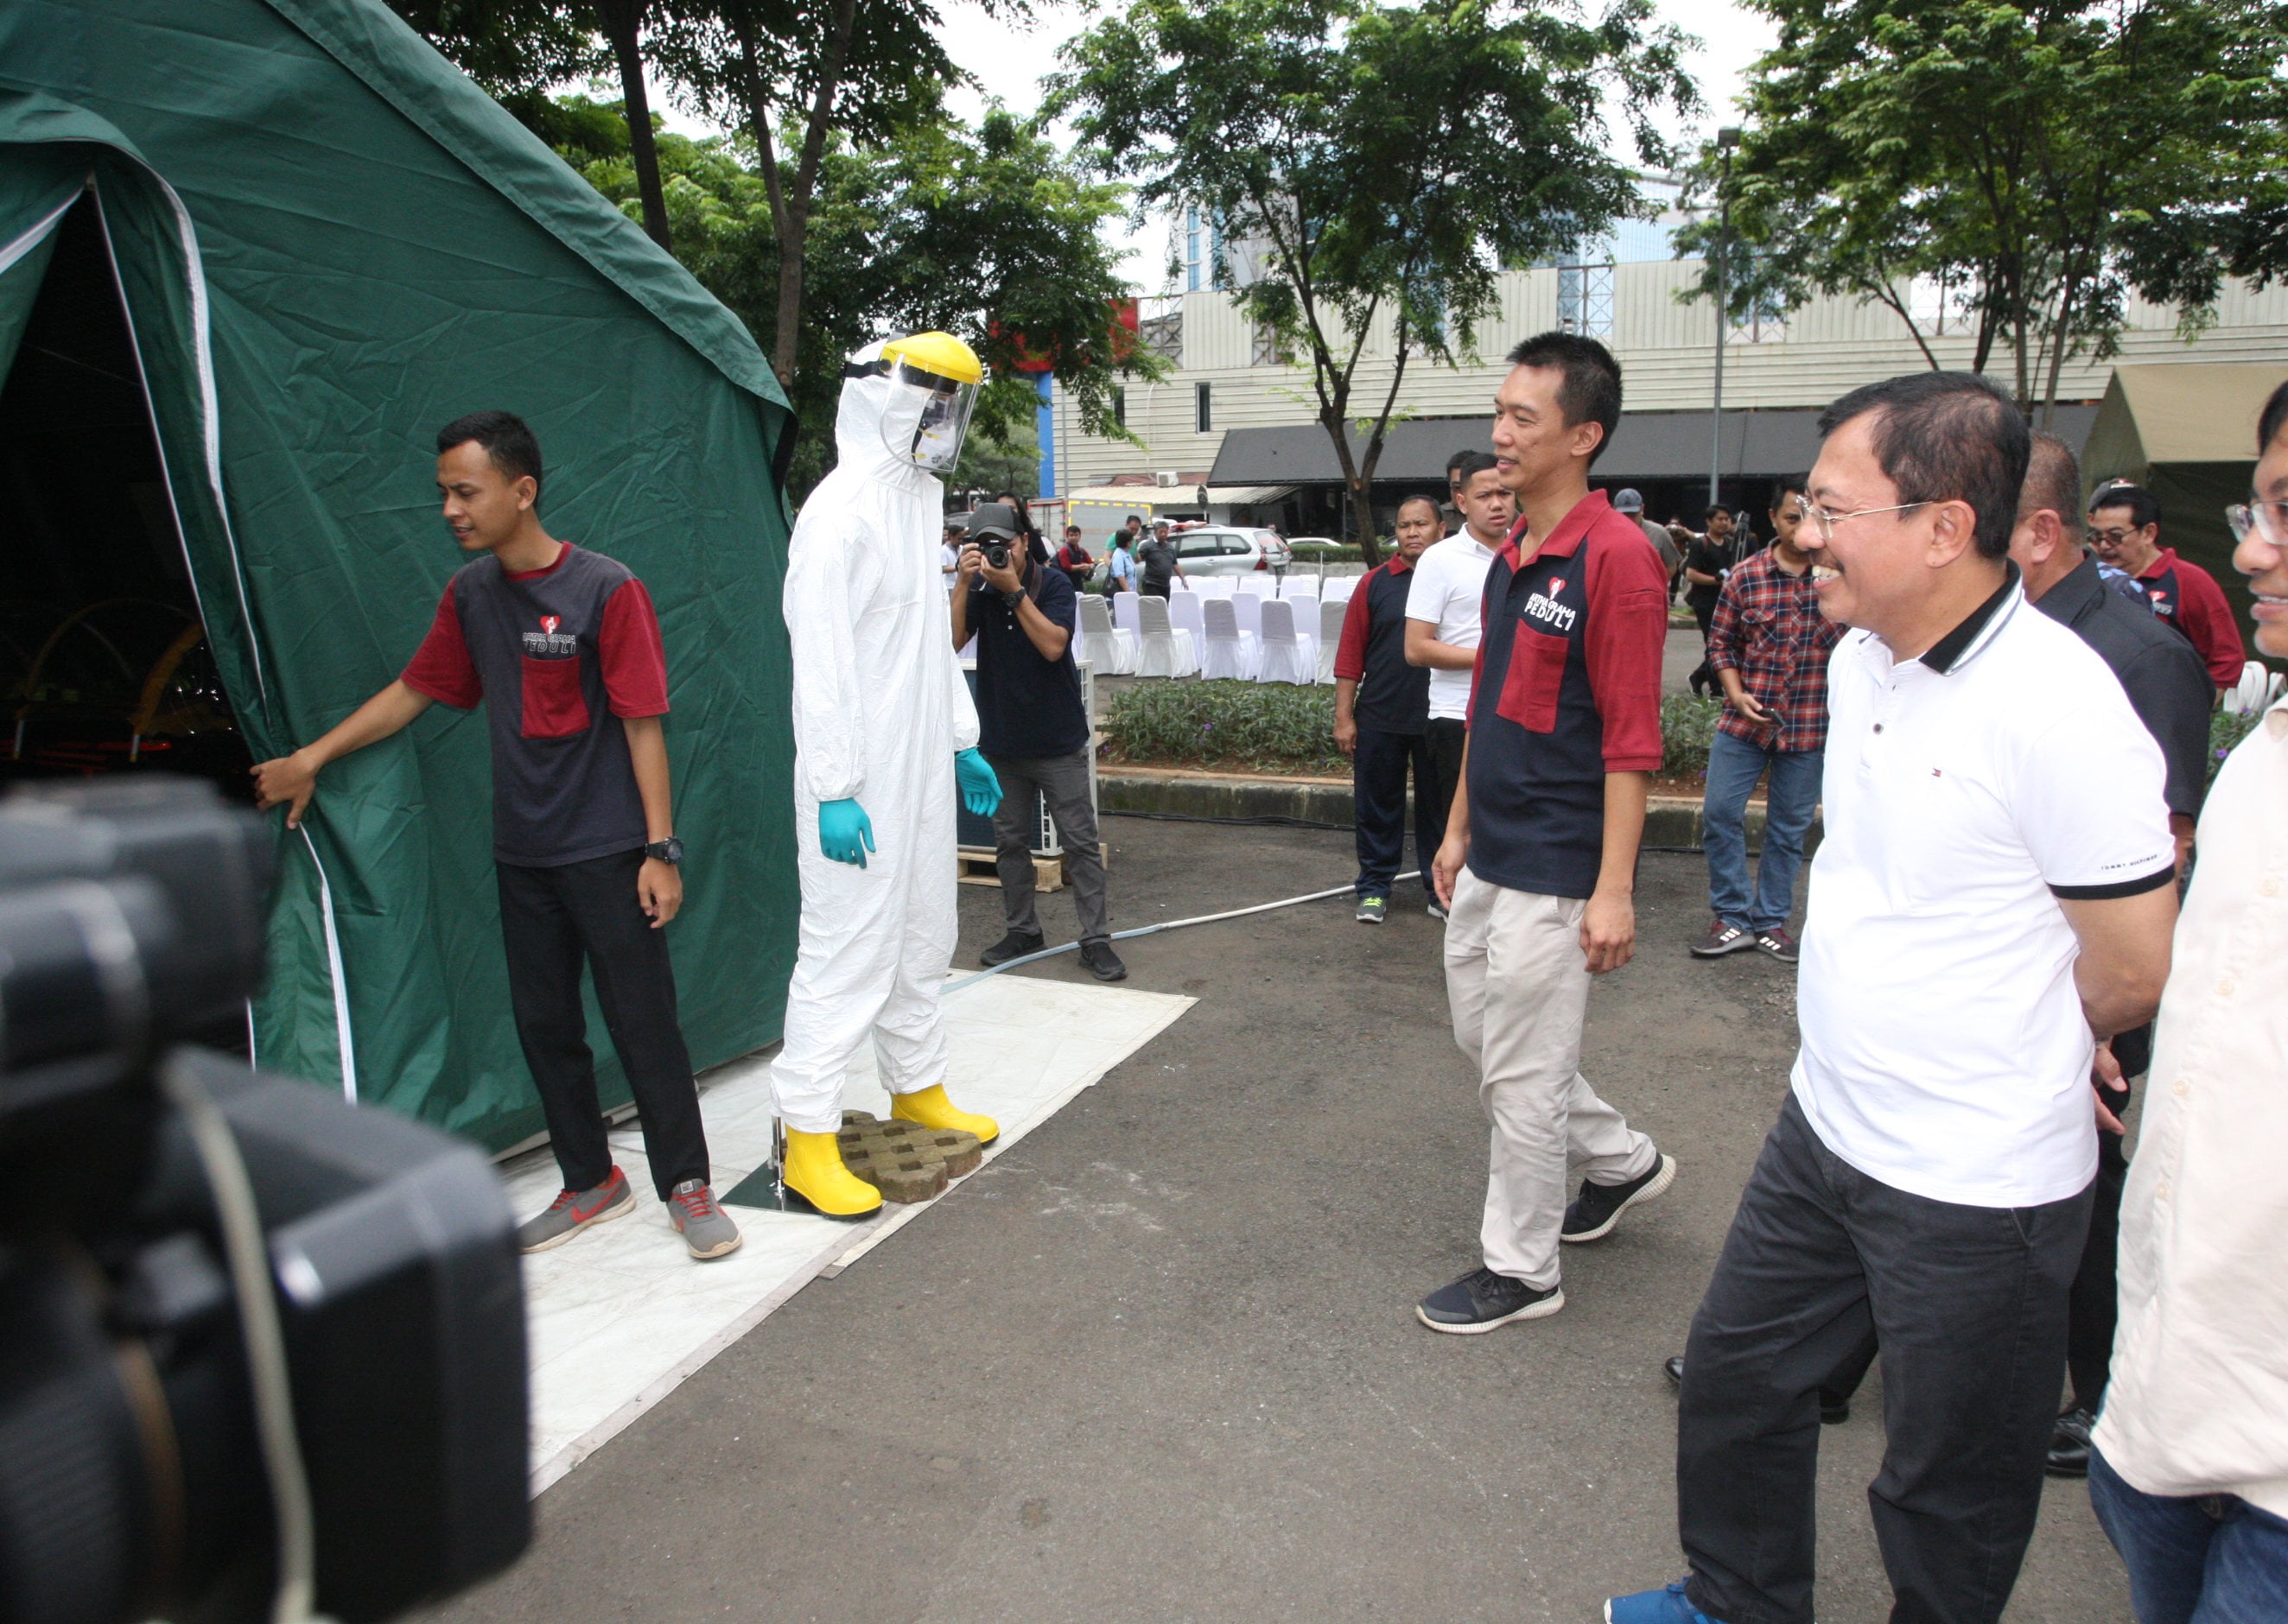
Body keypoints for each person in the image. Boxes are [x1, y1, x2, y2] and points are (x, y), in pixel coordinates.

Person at [1608, 371, 2178, 1624]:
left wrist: (2043, 1029)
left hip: (1978, 1186)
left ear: (1943, 528)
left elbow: (2136, 963)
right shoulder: (1866, 654)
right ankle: (1737, 1602)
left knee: (1946, 1488)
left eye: (1830, 507)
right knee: (1739, 1382)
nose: (1805, 535)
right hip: (1827, 1128)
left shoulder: (2062, 710)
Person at [249, 410, 740, 1262]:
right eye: (442, 492)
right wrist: (311, 758)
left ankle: (686, 1184)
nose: (449, 508)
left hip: (609, 852)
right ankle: (590, 1178)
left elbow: (642, 724)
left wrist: (660, 851)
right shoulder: (471, 595)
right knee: (543, 1023)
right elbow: (412, 691)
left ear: (522, 490)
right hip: (522, 853)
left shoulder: (605, 588)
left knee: (643, 1022)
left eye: (464, 491)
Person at [1416, 333, 1675, 1335]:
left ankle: (1521, 1269)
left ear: (1583, 435)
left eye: (1523, 417)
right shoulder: (1512, 554)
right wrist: (1453, 826)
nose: (1499, 434)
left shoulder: (1617, 560)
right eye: (1499, 411)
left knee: (1520, 1078)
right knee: (1484, 1043)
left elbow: (1631, 740)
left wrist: (1612, 888)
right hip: (1488, 852)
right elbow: (1485, 701)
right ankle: (1620, 1160)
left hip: (1560, 865)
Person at [2088, 379, 2288, 1624]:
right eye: (2260, 507)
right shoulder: (2265, 753)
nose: (2256, 545)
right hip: (2178, 1393)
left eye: (2285, 513)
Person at [2005, 432, 2214, 1481]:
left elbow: (2162, 846)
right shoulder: (2000, 640)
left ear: (2035, 535)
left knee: (2088, 1198)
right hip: (2008, 966)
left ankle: (2099, 1393)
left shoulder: (2138, 654)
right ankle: (1825, 1357)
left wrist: (2083, 1013)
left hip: (2094, 975)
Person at [772, 333, 1007, 1220]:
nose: (942, 419)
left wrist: (959, 736)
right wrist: (833, 786)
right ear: (882, 396)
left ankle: (916, 1086)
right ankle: (808, 1132)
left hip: (912, 760)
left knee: (919, 926)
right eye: (932, 398)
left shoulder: (917, 499)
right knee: (846, 948)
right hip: (857, 775)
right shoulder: (836, 515)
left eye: (954, 401)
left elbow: (921, 638)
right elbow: (820, 664)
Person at [950, 502, 1124, 982]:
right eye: (986, 546)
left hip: (1057, 742)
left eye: (1004, 545)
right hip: (1002, 743)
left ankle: (1096, 940)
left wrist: (1013, 594)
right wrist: (965, 583)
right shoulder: (981, 587)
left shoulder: (1055, 584)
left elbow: (1053, 645)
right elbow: (950, 643)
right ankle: (1023, 930)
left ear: (1025, 542)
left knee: (1081, 844)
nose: (996, 553)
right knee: (1009, 843)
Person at [1691, 476, 1840, 964]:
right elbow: (1720, 645)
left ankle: (1772, 921)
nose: (1803, 527)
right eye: (1792, 517)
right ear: (1774, 521)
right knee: (1719, 815)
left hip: (1809, 727)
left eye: (1812, 517)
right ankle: (1732, 916)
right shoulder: (1746, 577)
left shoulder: (1841, 579)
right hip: (1745, 725)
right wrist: (1735, 694)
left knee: (1787, 830)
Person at [1405, 450, 1513, 919]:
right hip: (1456, 718)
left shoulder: (1535, 550)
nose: (1497, 504)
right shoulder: (1439, 560)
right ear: (1461, 501)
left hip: (1519, 714)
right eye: (1484, 495)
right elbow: (1417, 648)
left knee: (1511, 828)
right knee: (1463, 831)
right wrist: (1495, 659)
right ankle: (1465, 922)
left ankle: (1509, 924)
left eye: (1505, 493)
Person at [1335, 494, 1439, 924]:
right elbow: (1350, 654)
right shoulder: (1375, 583)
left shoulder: (1453, 580)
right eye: (1403, 526)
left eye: (1422, 524)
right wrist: (1345, 716)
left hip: (1440, 718)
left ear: (1441, 529)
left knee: (1442, 810)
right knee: (1377, 807)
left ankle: (1440, 891)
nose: (1412, 533)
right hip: (1380, 715)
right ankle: (1375, 888)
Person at [2087, 482, 2244, 690]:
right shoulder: (2089, 576)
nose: (2104, 546)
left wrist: (2194, 708)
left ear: (2149, 533)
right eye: (2097, 536)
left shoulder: (2190, 580)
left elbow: (2227, 658)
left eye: (2116, 536)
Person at [1682, 505, 1737, 697]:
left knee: (1727, 643)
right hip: (1705, 601)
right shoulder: (1700, 544)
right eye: (1720, 519)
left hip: (1726, 601)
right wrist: (1715, 580)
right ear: (1709, 521)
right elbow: (1691, 574)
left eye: (1727, 519)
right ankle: (1715, 689)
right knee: (1714, 644)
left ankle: (1699, 676)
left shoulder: (1731, 544)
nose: (1724, 523)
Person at [1614, 486, 1683, 585]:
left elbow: (1671, 566)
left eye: (1633, 514)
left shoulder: (1659, 533)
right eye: (1624, 514)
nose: (1629, 518)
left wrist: (1655, 586)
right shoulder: (1609, 535)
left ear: (1642, 509)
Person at [1137, 520, 1182, 598]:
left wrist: (1183, 578)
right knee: (1155, 607)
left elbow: (1175, 564)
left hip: (1165, 584)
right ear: (1155, 532)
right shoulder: (1148, 545)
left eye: (1165, 532)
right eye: (1161, 532)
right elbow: (1138, 559)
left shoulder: (1170, 547)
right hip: (1151, 584)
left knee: (1164, 607)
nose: (1163, 534)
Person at [1054, 523, 1096, 588]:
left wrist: (1088, 567)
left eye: (1076, 535)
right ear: (1067, 536)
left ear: (1080, 536)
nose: (1074, 537)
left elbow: (1092, 563)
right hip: (1065, 583)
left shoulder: (1081, 551)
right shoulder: (1064, 550)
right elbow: (1067, 567)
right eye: (1071, 535)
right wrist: (1082, 566)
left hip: (1078, 583)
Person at [941, 517, 965, 593]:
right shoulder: (943, 550)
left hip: (961, 584)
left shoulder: (962, 548)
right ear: (951, 536)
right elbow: (943, 569)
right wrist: (958, 568)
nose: (961, 541)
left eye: (962, 539)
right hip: (949, 586)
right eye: (959, 539)